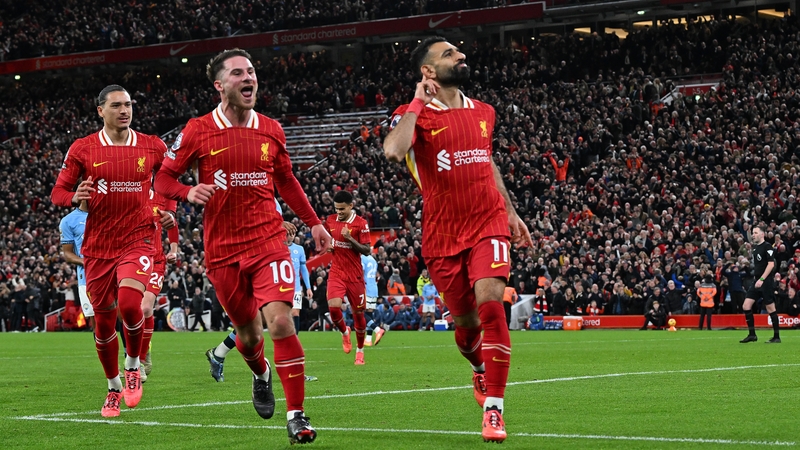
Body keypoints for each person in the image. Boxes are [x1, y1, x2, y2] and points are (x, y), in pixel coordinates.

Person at [154, 48, 330, 444]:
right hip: (222, 251)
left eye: (251, 71)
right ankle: (261, 373)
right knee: (248, 336)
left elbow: (286, 181)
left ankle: (297, 415)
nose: (248, 77)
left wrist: (314, 223)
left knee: (281, 321)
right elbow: (162, 179)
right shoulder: (198, 130)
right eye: (238, 73)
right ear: (219, 85)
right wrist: (187, 192)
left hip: (268, 241)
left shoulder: (271, 129)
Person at [384, 36, 533, 443]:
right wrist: (417, 102)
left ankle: (494, 411)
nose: (461, 55)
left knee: (492, 305)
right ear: (428, 70)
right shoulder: (412, 116)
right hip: (443, 233)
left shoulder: (484, 111)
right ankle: (479, 368)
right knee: (467, 327)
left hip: (488, 222)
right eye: (449, 53)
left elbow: (488, 163)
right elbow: (394, 151)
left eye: (459, 50)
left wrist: (510, 211)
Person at [51, 84, 167, 417]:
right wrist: (73, 196)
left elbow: (170, 179)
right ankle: (114, 386)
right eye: (116, 105)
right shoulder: (83, 148)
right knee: (103, 325)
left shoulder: (151, 145)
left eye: (128, 104)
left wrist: (167, 209)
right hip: (99, 246)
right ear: (100, 110)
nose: (124, 110)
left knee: (130, 303)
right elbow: (58, 193)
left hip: (137, 239)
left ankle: (132, 366)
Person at [323, 190, 372, 365]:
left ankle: (360, 351)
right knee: (334, 307)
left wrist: (350, 238)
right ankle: (345, 332)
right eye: (336, 209)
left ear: (351, 206)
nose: (339, 212)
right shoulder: (330, 220)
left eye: (342, 209)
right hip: (337, 272)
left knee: (358, 314)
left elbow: (367, 250)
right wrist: (329, 246)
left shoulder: (360, 224)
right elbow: (328, 239)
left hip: (355, 275)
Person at [139, 189, 179, 380]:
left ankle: (140, 360)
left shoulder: (162, 197)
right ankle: (139, 350)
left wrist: (173, 250)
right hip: (133, 259)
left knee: (146, 308)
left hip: (156, 261)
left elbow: (171, 223)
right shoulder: (129, 193)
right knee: (130, 312)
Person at [740, 225, 781, 344]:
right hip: (756, 280)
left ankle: (776, 337)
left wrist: (762, 279)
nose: (753, 235)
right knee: (746, 306)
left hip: (765, 281)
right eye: (753, 233)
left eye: (756, 233)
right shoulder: (755, 248)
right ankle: (752, 335)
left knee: (770, 308)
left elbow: (771, 264)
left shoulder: (767, 246)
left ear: (762, 234)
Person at [59, 201, 93, 330]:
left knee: (123, 314)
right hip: (86, 277)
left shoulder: (109, 214)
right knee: (97, 321)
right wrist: (87, 262)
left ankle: (129, 344)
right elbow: (68, 254)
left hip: (112, 272)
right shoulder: (68, 221)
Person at [362, 253, 386, 346]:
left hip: (366, 288)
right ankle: (368, 339)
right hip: (374, 288)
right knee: (369, 313)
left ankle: (377, 330)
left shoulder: (362, 258)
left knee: (360, 313)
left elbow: (361, 272)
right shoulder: (373, 260)